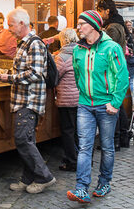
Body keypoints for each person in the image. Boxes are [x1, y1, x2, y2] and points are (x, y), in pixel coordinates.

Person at [66, 10, 128, 203]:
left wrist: (115, 103)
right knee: (84, 147)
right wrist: (83, 95)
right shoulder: (78, 49)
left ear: (92, 25)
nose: (78, 27)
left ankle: (104, 182)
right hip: (85, 105)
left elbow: (122, 77)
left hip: (106, 105)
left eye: (81, 23)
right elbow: (78, 76)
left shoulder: (112, 48)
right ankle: (81, 188)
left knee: (107, 147)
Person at [0, 8, 56, 194]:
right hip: (23, 100)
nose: (8, 28)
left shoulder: (34, 44)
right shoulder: (24, 43)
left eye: (11, 24)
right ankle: (27, 178)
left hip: (29, 101)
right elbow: (26, 70)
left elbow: (36, 74)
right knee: (26, 140)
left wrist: (9, 78)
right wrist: (7, 74)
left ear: (22, 24)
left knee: (23, 140)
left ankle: (45, 177)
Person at [96, 0, 131, 149]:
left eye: (100, 10)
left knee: (113, 105)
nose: (99, 14)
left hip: (112, 70)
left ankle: (116, 139)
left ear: (107, 11)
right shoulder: (118, 24)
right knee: (119, 105)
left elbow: (109, 49)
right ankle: (123, 136)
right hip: (118, 67)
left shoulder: (111, 28)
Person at [54, 28, 80, 172]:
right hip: (80, 97)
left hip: (66, 99)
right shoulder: (81, 53)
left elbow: (55, 76)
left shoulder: (62, 56)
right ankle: (82, 160)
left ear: (63, 39)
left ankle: (72, 162)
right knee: (78, 130)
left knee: (68, 131)